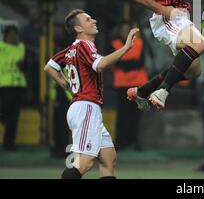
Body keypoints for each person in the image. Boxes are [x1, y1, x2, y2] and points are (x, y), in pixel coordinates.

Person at [44, 9, 139, 179]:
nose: (93, 20)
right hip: (86, 107)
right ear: (78, 29)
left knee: (108, 158)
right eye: (88, 19)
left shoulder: (71, 49)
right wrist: (126, 48)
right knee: (85, 162)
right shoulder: (84, 45)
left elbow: (49, 67)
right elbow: (100, 65)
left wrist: (67, 85)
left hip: (84, 108)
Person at [111, 21, 149, 150]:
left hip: (138, 84)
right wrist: (131, 63)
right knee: (122, 114)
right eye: (123, 30)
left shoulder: (139, 43)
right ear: (119, 31)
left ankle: (134, 142)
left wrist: (125, 64)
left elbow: (140, 63)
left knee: (136, 114)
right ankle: (121, 142)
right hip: (122, 85)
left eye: (128, 30)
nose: (126, 33)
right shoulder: (114, 44)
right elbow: (115, 63)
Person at [0, 24, 27, 151]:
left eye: (15, 35)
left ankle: (9, 144)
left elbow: (24, 63)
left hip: (18, 85)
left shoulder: (21, 47)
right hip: (3, 85)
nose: (13, 37)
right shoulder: (1, 47)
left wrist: (22, 64)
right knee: (5, 113)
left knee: (14, 117)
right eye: (10, 35)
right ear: (5, 36)